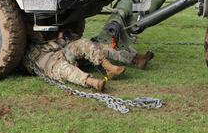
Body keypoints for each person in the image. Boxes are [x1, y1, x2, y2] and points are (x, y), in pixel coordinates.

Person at [23, 32, 154, 92]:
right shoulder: (20, 45)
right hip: (48, 63)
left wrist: (61, 36)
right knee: (64, 69)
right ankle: (92, 82)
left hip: (61, 50)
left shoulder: (41, 28)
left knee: (88, 44)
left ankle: (131, 61)